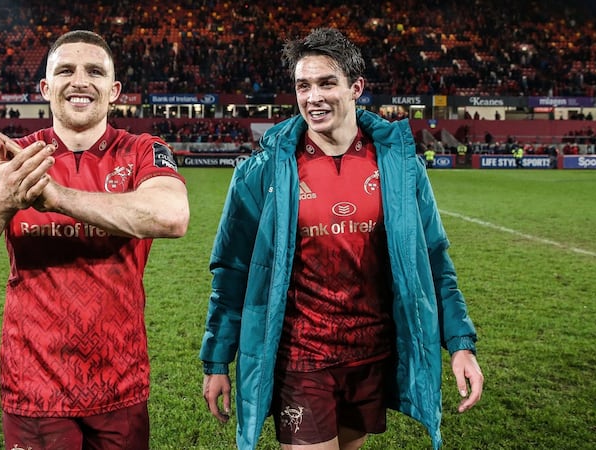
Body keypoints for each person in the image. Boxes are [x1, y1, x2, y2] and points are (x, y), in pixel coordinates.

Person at [200, 28, 483, 450]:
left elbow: (434, 261)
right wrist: (217, 358)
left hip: (371, 356)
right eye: (303, 86)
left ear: (356, 88)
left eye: (326, 83)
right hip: (301, 358)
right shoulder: (261, 173)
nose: (313, 97)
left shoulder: (400, 168)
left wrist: (460, 344)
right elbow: (232, 271)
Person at [0, 30, 190, 450]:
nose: (79, 81)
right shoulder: (13, 160)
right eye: (65, 71)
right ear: (45, 87)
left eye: (94, 71)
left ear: (114, 91)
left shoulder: (143, 150)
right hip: (32, 385)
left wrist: (56, 197)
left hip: (120, 381)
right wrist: (3, 196)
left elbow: (172, 215)